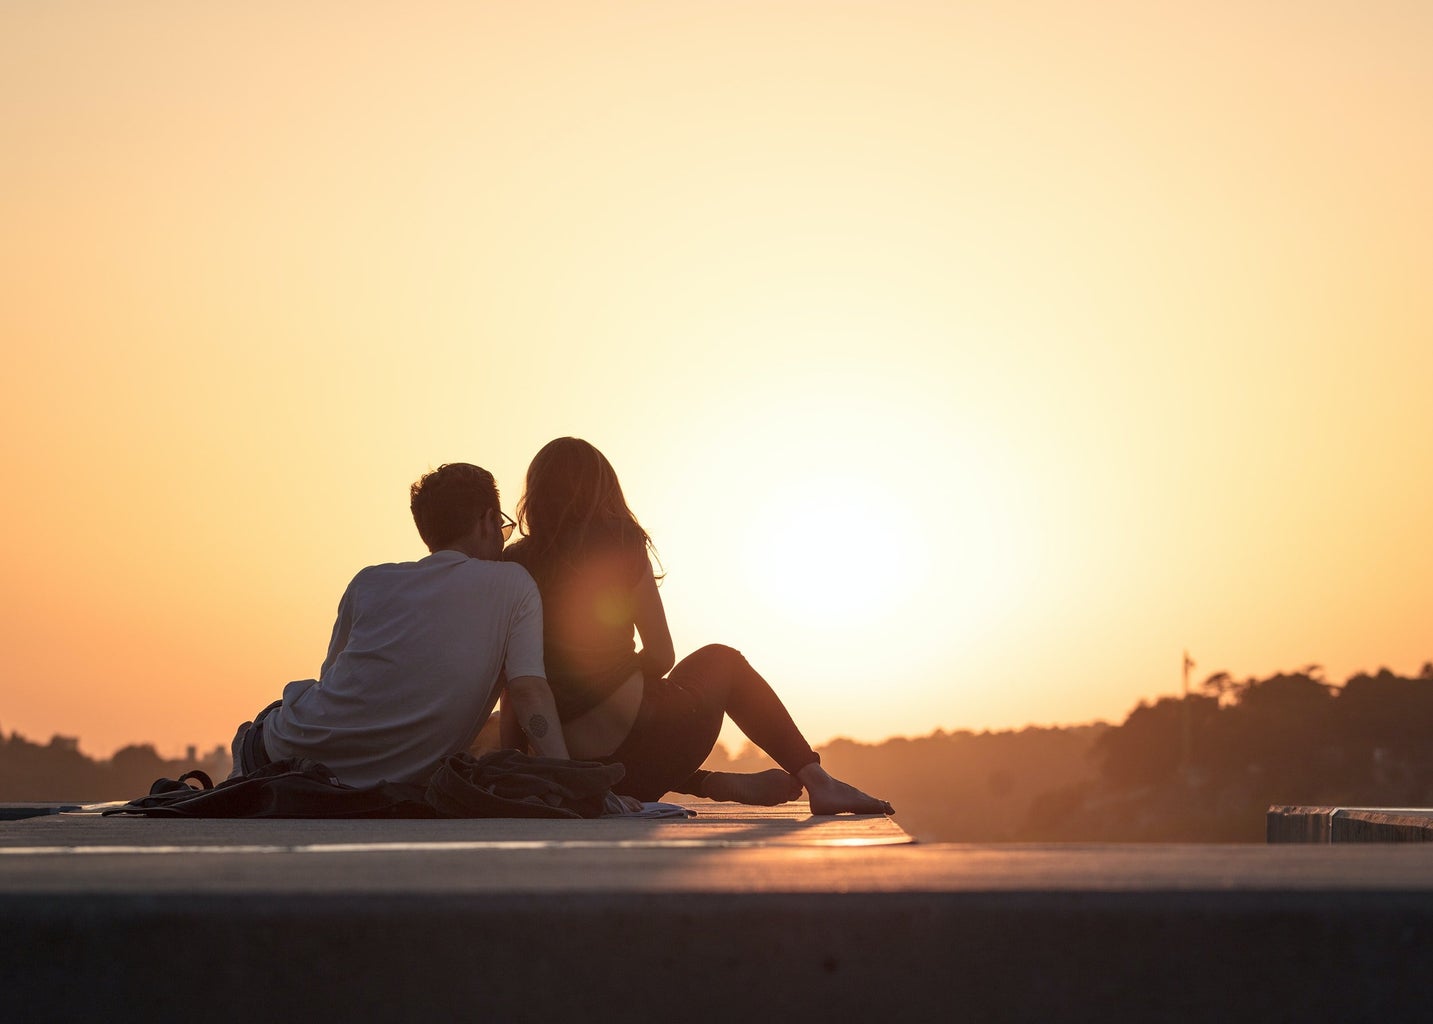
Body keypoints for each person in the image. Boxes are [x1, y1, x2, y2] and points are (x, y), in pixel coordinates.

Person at [501, 437, 893, 815]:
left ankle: (704, 783)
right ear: (603, 492)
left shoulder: (513, 563)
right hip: (643, 746)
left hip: (573, 766)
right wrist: (620, 679)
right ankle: (818, 782)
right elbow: (662, 654)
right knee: (722, 661)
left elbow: (513, 682)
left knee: (624, 737)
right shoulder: (621, 542)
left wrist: (520, 764)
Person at [229, 462, 570, 787]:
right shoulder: (513, 584)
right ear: (489, 519)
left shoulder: (369, 582)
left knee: (283, 711)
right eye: (503, 528)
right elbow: (528, 692)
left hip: (283, 754)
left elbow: (335, 683)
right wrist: (573, 784)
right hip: (372, 777)